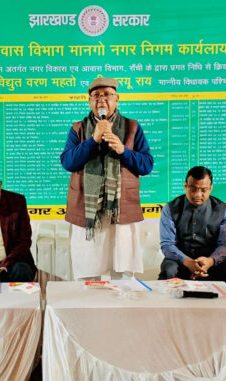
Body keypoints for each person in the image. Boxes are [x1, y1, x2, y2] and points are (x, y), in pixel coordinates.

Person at [61, 77, 153, 280]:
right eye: (96, 95)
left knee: (123, 273)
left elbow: (146, 165)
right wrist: (93, 139)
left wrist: (123, 150)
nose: (102, 99)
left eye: (107, 95)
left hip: (121, 210)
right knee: (87, 273)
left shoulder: (132, 127)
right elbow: (68, 162)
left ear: (117, 99)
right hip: (88, 211)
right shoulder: (78, 128)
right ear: (89, 101)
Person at [159, 166, 226, 296]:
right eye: (193, 189)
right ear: (185, 186)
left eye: (203, 190)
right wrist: (188, 262)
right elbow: (167, 245)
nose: (198, 195)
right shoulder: (170, 209)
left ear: (210, 188)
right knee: (168, 270)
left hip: (210, 262)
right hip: (180, 261)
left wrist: (210, 261)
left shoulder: (222, 209)